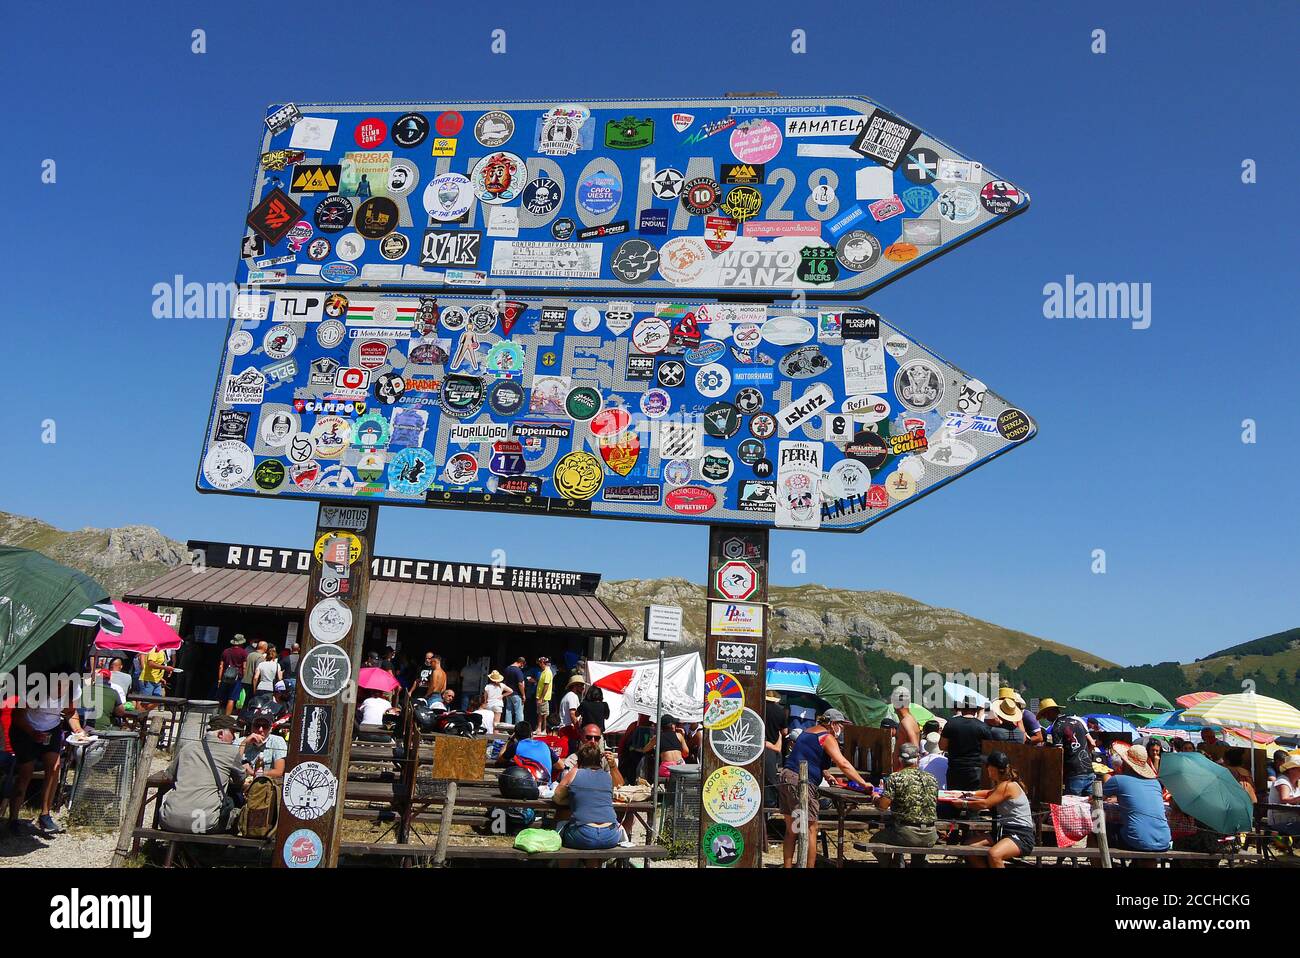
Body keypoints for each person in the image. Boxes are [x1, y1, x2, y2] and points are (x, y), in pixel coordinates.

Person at [778, 709, 871, 868]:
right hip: (800, 782)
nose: (841, 728)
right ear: (832, 724)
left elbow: (807, 756)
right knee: (811, 829)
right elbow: (843, 764)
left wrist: (826, 774)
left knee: (792, 829)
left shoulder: (808, 732)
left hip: (787, 776)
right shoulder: (826, 737)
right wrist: (864, 784)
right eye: (840, 724)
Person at [6, 674, 84, 836]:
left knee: (54, 767)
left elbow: (70, 712)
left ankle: (45, 814)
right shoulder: (35, 691)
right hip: (26, 730)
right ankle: (13, 818)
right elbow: (18, 716)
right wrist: (32, 733)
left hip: (51, 730)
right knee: (26, 772)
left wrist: (78, 730)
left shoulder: (73, 690)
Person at [159, 715, 246, 833]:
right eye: (233, 733)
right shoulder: (231, 751)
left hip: (169, 819)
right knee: (233, 802)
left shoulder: (187, 748)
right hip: (203, 823)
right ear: (221, 734)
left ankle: (184, 850)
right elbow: (240, 780)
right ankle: (213, 850)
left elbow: (169, 776)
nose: (234, 738)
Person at [956, 751, 1035, 867]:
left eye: (988, 765)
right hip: (1003, 831)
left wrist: (963, 804)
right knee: (969, 848)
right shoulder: (1002, 784)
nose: (986, 768)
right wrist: (969, 794)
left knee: (994, 854)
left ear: (994, 769)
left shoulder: (1008, 786)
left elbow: (986, 804)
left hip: (1020, 834)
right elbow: (988, 793)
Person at [874, 742, 939, 864]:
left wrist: (875, 798)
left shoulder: (896, 778)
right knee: (908, 838)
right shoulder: (932, 778)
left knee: (876, 841)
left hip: (906, 833)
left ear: (899, 759)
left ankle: (891, 865)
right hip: (930, 834)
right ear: (918, 759)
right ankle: (917, 864)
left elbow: (883, 806)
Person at [1102, 742, 1171, 854]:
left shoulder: (1119, 779)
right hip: (1164, 841)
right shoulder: (1155, 783)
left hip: (1136, 841)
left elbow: (1095, 799)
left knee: (1097, 829)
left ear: (1127, 763)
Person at [553, 743, 625, 851]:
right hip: (610, 834)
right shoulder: (607, 776)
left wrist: (573, 800)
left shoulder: (574, 773)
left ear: (579, 760)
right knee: (594, 847)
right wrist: (613, 766)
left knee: (562, 826)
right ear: (600, 761)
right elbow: (620, 785)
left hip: (584, 834)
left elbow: (557, 797)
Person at [1039, 698, 1097, 796]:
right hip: (1089, 769)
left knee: (1073, 806)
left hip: (1074, 773)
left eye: (1044, 714)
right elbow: (1092, 743)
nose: (1045, 717)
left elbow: (1059, 752)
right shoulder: (1078, 722)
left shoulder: (1057, 727)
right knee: (1091, 806)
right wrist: (1083, 754)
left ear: (1050, 712)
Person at [939, 697, 993, 791]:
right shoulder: (983, 727)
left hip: (955, 768)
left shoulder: (951, 723)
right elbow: (988, 750)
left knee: (954, 798)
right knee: (973, 799)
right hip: (975, 769)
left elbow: (942, 746)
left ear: (961, 708)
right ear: (976, 710)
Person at [558, 724, 625, 785]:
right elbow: (564, 785)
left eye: (596, 738)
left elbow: (619, 785)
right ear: (581, 738)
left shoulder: (605, 759)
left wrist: (613, 766)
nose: (593, 741)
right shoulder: (572, 759)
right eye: (589, 737)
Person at [236, 715, 287, 780]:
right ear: (252, 727)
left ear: (271, 729)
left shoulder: (277, 741)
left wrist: (253, 773)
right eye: (257, 725)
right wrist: (244, 744)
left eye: (265, 726)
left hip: (263, 785)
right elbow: (234, 766)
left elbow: (278, 772)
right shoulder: (240, 741)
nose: (260, 730)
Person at [764, 689, 787, 807]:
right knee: (772, 777)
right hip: (773, 748)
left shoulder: (759, 709)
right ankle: (772, 802)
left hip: (759, 746)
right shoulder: (780, 711)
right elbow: (784, 731)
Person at [1267, 755, 1300, 836]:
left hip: (1292, 818)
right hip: (1281, 821)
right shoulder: (1282, 781)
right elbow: (1284, 799)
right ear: (1291, 769)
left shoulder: (1296, 783)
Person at [217, 635, 249, 715]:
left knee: (221, 697)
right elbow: (244, 667)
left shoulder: (226, 651)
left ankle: (217, 713)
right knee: (231, 698)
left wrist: (219, 679)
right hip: (237, 678)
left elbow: (221, 666)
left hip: (225, 677)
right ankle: (227, 717)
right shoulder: (243, 652)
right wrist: (243, 678)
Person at [893, 687, 920, 770]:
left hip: (904, 771)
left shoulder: (906, 722)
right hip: (903, 770)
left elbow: (915, 748)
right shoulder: (910, 719)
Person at [241, 641, 267, 707]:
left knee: (245, 699)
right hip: (252, 682)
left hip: (245, 680)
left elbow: (244, 666)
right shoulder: (260, 657)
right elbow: (257, 671)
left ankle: (242, 713)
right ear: (264, 647)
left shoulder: (250, 654)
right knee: (250, 701)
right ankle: (246, 715)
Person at [503, 655, 526, 727]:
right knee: (518, 712)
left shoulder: (507, 669)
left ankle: (507, 728)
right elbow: (520, 684)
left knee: (508, 711)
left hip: (508, 693)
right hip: (516, 694)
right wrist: (523, 695)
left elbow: (504, 681)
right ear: (521, 663)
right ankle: (520, 728)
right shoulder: (518, 670)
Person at [534, 656, 554, 734]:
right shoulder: (544, 671)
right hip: (539, 696)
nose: (539, 665)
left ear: (543, 663)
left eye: (540, 663)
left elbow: (546, 686)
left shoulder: (548, 672)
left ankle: (545, 729)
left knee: (545, 714)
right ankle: (539, 728)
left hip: (544, 697)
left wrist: (541, 698)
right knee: (540, 713)